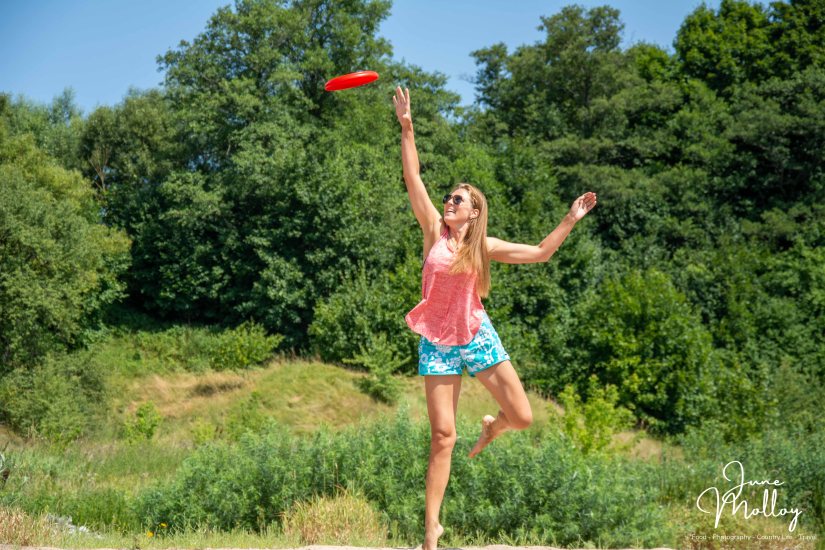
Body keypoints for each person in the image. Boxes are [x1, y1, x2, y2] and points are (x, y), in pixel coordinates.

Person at [393, 86, 597, 550]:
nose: (449, 202)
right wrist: (407, 128)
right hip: (438, 341)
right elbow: (413, 179)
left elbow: (542, 253)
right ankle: (430, 531)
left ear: (475, 212)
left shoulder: (481, 246)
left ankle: (493, 427)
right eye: (449, 197)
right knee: (443, 436)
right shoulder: (433, 232)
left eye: (458, 200)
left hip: (476, 335)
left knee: (522, 418)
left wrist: (570, 218)